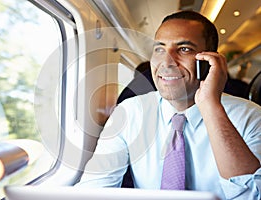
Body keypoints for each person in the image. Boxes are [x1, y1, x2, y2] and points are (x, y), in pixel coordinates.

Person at [76, 11, 261, 199]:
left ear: (209, 61)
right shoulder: (130, 112)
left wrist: (211, 107)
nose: (167, 61)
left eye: (184, 49)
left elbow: (252, 196)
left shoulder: (251, 117)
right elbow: (94, 190)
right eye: (159, 49)